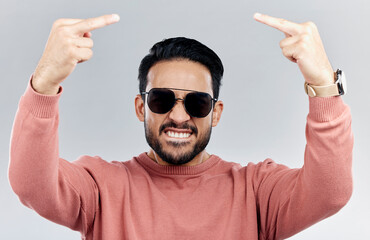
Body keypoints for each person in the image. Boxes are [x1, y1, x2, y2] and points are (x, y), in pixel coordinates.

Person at [8, 12, 353, 240]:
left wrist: (324, 85)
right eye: (161, 99)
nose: (178, 116)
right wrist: (45, 82)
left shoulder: (256, 191)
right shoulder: (101, 187)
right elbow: (31, 185)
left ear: (215, 113)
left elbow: (331, 192)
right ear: (141, 107)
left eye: (197, 103)